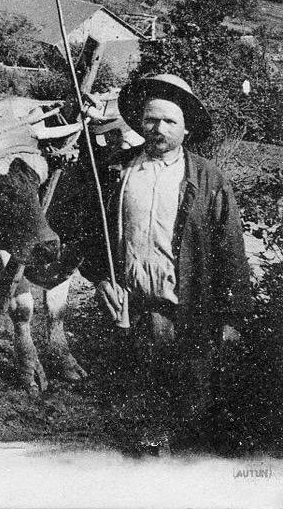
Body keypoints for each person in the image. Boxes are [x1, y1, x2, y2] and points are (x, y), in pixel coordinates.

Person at [84, 74, 252, 453]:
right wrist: (100, 279)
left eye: (169, 121)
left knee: (184, 405)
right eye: (151, 119)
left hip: (185, 311)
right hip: (129, 309)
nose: (158, 128)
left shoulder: (207, 178)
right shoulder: (119, 171)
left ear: (186, 128)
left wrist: (232, 317)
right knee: (131, 402)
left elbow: (231, 249)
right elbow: (95, 233)